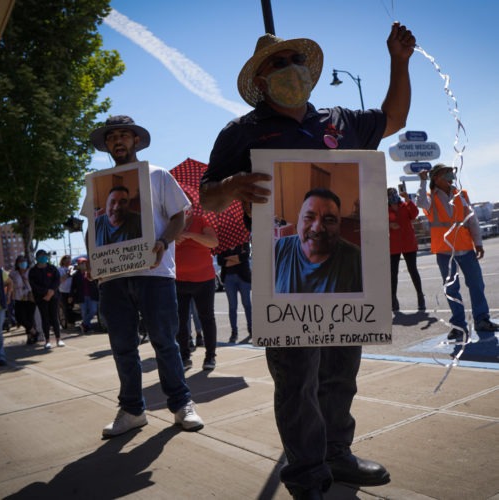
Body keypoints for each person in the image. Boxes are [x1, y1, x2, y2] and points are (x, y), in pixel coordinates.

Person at [200, 24, 416, 499]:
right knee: (297, 381)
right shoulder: (241, 131)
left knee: (341, 370)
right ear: (261, 81)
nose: (288, 68)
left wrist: (399, 60)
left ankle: (338, 454)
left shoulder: (340, 120)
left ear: (309, 69)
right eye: (276, 63)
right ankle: (307, 475)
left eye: (293, 59)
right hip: (283, 279)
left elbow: (394, 117)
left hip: (347, 278)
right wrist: (231, 186)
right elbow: (208, 197)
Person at [86, 115, 203, 437]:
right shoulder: (96, 183)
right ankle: (132, 410)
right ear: (107, 145)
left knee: (166, 343)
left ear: (136, 141)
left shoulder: (158, 175)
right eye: (112, 138)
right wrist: (93, 263)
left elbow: (180, 215)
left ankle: (181, 405)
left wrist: (164, 241)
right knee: (122, 346)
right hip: (111, 278)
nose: (118, 142)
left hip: (156, 274)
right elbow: (91, 228)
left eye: (124, 136)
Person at [416, 164, 499, 340]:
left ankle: (482, 320)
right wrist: (422, 183)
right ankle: (458, 326)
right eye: (446, 173)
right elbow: (420, 202)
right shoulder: (430, 197)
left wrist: (478, 242)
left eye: (451, 172)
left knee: (477, 285)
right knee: (452, 290)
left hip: (466, 248)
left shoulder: (461, 195)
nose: (450, 175)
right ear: (436, 177)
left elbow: (472, 220)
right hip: (445, 251)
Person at [275, 188, 362, 294]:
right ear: (298, 219)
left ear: (339, 224)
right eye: (309, 217)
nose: (317, 228)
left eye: (329, 220)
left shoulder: (358, 260)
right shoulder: (279, 248)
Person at [175, 201, 219, 371]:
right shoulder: (171, 225)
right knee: (180, 320)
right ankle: (184, 356)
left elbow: (213, 242)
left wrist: (191, 235)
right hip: (179, 280)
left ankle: (210, 356)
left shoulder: (201, 221)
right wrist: (173, 237)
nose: (184, 208)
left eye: (186, 204)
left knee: (207, 317)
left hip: (204, 279)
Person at [387, 187, 425, 312]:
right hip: (393, 245)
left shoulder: (404, 205)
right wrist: (389, 225)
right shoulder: (384, 209)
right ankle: (393, 299)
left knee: (413, 270)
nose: (392, 197)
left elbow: (414, 214)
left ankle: (420, 297)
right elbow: (379, 224)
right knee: (393, 273)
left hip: (408, 243)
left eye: (394, 194)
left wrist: (408, 199)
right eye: (389, 195)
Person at [28, 249, 64, 349]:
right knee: (45, 318)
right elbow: (34, 285)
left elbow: (57, 281)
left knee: (54, 317)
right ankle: (47, 340)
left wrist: (51, 291)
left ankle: (58, 339)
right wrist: (45, 293)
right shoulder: (33, 271)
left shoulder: (52, 268)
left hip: (54, 296)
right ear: (37, 258)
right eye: (41, 256)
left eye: (45, 256)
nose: (43, 258)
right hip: (41, 298)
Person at [217, 242, 252, 343]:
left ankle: (251, 328)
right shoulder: (223, 242)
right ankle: (234, 332)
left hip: (243, 277)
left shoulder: (243, 241)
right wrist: (236, 258)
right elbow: (220, 261)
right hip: (228, 278)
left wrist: (228, 258)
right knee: (232, 306)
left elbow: (244, 257)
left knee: (247, 304)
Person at [9, 255, 38, 344]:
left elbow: (35, 283)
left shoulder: (31, 272)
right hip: (18, 298)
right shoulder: (13, 273)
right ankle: (34, 332)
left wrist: (26, 280)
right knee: (20, 318)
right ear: (17, 263)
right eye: (20, 262)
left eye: (24, 261)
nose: (23, 263)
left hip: (30, 297)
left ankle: (30, 337)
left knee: (29, 318)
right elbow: (10, 284)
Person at [69, 257, 99, 333]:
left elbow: (97, 282)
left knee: (93, 310)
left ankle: (83, 324)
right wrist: (71, 296)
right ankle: (87, 327)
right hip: (82, 296)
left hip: (92, 295)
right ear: (78, 265)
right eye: (81, 263)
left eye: (85, 263)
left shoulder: (91, 272)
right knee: (84, 312)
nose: (83, 265)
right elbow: (73, 286)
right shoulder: (76, 275)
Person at [0, 266, 13, 366]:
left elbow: (9, 282)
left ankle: (1, 356)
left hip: (0, 307)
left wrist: (8, 295)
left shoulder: (0, 272)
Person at [58, 254, 75, 328]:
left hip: (73, 291)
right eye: (67, 259)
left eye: (70, 259)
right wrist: (68, 274)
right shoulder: (60, 269)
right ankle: (69, 323)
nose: (68, 261)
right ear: (63, 261)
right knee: (66, 308)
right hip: (64, 292)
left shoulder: (72, 268)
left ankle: (72, 322)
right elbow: (60, 280)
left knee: (72, 308)